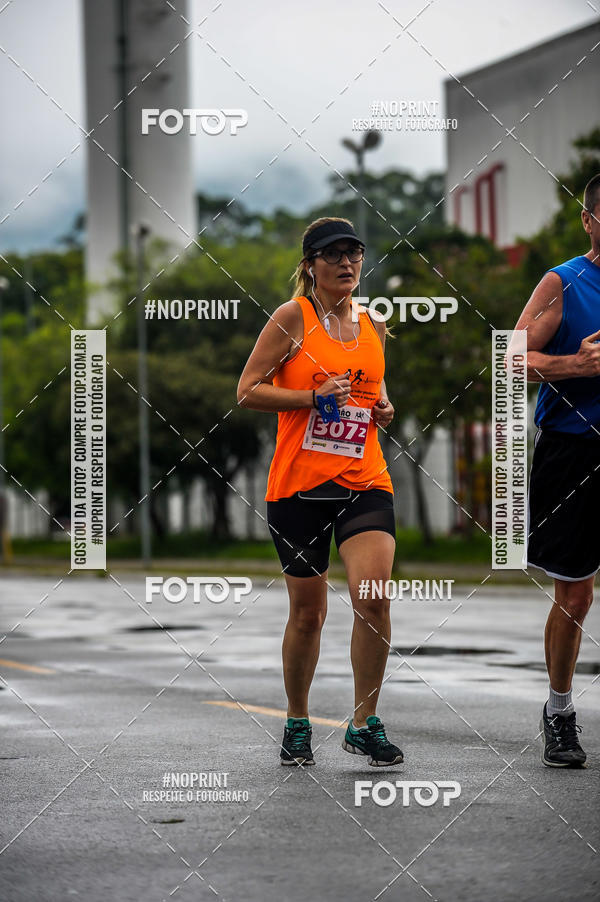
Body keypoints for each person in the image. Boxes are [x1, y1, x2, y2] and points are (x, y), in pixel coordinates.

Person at [237, 217, 403, 767]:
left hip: (364, 479)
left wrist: (383, 407)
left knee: (373, 597)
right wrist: (311, 398)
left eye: (354, 253)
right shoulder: (293, 317)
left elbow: (371, 386)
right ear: (310, 265)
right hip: (300, 487)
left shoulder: (374, 322)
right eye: (333, 254)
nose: (346, 263)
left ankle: (364, 722)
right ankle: (297, 721)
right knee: (308, 614)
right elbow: (247, 391)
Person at [515, 173, 600, 767]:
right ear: (589, 220)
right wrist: (577, 365)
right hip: (575, 451)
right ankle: (560, 712)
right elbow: (510, 358)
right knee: (575, 593)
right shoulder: (563, 282)